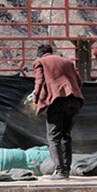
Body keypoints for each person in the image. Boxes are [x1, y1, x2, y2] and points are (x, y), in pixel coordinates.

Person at [32, 44, 84, 179]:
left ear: (39, 54)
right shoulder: (68, 62)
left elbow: (39, 82)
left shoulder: (40, 62)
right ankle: (66, 170)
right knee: (66, 135)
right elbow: (79, 82)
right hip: (75, 101)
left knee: (53, 137)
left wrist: (35, 99)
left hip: (58, 101)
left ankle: (60, 170)